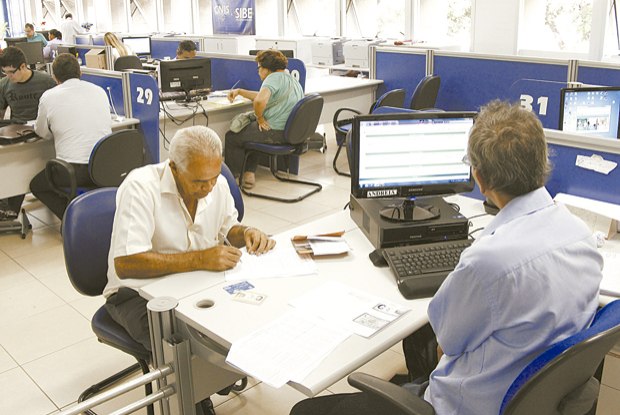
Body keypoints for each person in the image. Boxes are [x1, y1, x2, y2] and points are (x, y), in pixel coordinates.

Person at [289, 101, 604, 415]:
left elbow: (445, 344)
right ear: (542, 161)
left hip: (465, 407)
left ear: (479, 178)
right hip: (531, 400)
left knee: (305, 411)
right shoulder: (580, 234)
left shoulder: (487, 262)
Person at [104, 126, 274, 415]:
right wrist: (199, 259)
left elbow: (227, 228)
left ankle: (214, 374)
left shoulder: (215, 182)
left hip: (196, 283)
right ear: (173, 167)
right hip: (136, 294)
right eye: (198, 181)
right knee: (183, 347)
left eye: (213, 178)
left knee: (247, 316)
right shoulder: (141, 187)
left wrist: (246, 232)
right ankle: (193, 397)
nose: (208, 188)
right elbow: (126, 263)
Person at [30, 53, 111, 220]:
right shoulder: (100, 91)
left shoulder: (48, 96)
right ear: (80, 72)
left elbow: (42, 133)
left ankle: (71, 219)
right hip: (103, 168)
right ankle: (85, 213)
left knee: (37, 185)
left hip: (72, 172)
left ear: (54, 77)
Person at [224, 49, 303, 189]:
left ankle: (232, 179)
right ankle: (249, 173)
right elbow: (263, 96)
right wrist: (240, 92)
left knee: (232, 136)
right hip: (292, 132)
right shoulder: (289, 78)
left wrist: (260, 118)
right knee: (252, 132)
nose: (258, 71)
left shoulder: (272, 78)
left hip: (276, 132)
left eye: (259, 68)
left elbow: (260, 101)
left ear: (267, 69)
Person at [0, 46, 56, 221]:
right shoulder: (4, 85)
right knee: (12, 170)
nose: (8, 77)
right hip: (17, 135)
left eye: (11, 72)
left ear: (23, 66)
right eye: (5, 73)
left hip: (43, 135)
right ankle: (9, 210)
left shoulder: (46, 81)